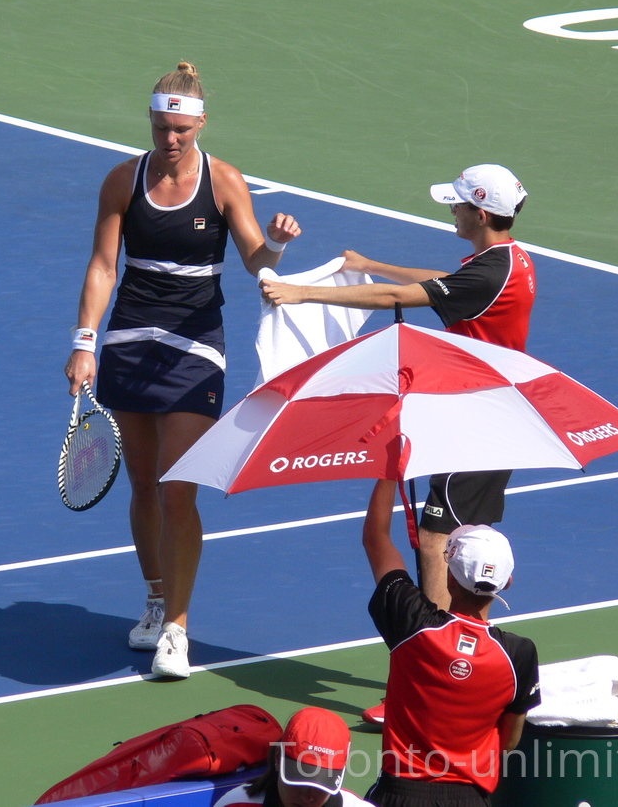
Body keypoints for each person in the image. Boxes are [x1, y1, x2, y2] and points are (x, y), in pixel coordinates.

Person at [65, 62, 300, 679]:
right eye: (161, 127)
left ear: (200, 125)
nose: (170, 140)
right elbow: (101, 267)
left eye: (181, 131)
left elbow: (254, 257)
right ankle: (154, 598)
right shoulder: (122, 180)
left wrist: (274, 244)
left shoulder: (223, 182)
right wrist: (85, 342)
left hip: (196, 349)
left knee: (178, 490)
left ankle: (178, 628)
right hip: (129, 343)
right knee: (143, 485)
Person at [259, 163, 534, 612]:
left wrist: (301, 293)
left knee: (436, 540)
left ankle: (437, 647)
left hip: (474, 419)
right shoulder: (507, 261)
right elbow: (442, 283)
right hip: (498, 414)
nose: (453, 211)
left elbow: (396, 299)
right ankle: (473, 640)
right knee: (474, 538)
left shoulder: (487, 274)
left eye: (458, 204)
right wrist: (370, 265)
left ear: (481, 214)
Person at [361, 479, 540, 807]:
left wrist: (389, 471)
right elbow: (508, 740)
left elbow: (376, 539)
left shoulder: (410, 622)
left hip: (398, 796)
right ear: (507, 583)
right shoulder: (519, 655)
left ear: (449, 576)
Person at [212, 707, 369, 807]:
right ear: (278, 758)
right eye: (298, 781)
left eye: (318, 787)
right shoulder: (236, 804)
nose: (307, 797)